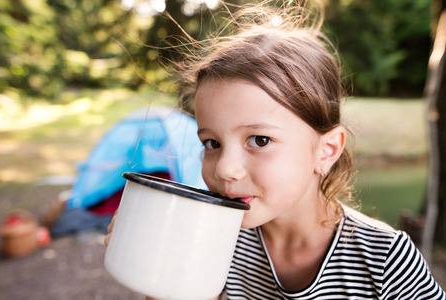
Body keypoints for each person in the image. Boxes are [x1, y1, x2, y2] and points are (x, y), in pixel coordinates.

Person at [105, 1, 445, 299]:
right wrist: (161, 274)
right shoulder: (217, 242)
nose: (225, 168)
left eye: (259, 140)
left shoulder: (387, 261)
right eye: (212, 143)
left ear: (326, 151)